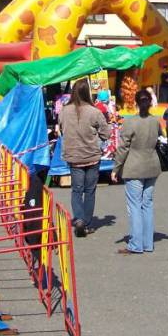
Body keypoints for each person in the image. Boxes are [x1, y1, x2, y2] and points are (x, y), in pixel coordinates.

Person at [111, 89, 161, 254]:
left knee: (134, 206)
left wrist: (116, 168)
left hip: (134, 167)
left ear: (136, 103)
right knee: (147, 204)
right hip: (152, 166)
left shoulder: (130, 122)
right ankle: (148, 243)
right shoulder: (155, 121)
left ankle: (136, 244)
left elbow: (123, 148)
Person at [59, 78, 110, 237]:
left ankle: (79, 218)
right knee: (90, 191)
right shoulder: (94, 112)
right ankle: (86, 223)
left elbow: (61, 128)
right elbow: (106, 133)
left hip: (74, 156)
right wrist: (97, 139)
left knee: (76, 190)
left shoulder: (64, 111)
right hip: (92, 155)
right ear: (87, 92)